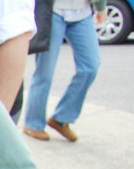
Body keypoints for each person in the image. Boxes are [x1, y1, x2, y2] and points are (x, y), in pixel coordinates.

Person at [23, 0, 106, 142]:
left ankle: (61, 118)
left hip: (83, 12)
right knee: (45, 71)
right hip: (54, 11)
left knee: (91, 66)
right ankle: (33, 123)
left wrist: (100, 7)